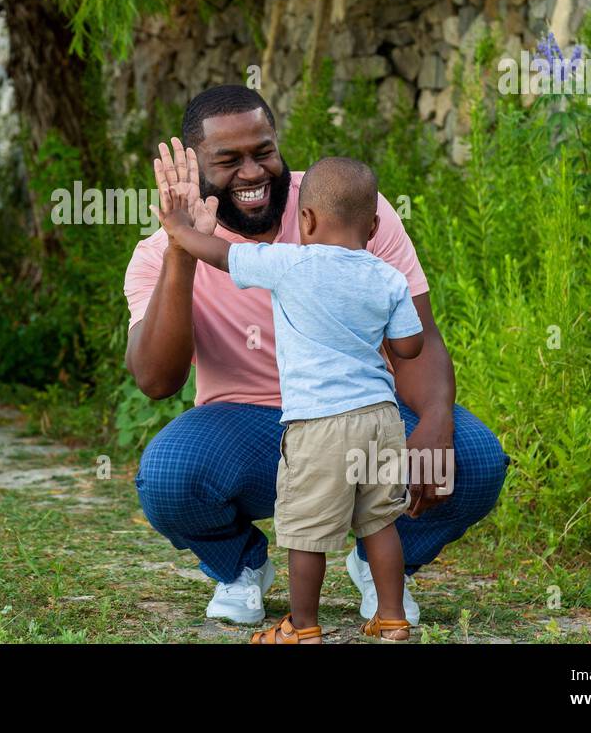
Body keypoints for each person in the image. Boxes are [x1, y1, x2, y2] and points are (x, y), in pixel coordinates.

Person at [124, 84, 510, 626]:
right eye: (228, 160)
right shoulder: (156, 257)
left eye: (263, 151)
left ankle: (380, 567)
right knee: (167, 474)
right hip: (251, 431)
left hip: (365, 413)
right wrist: (182, 245)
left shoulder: (345, 206)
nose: (253, 172)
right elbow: (156, 379)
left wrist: (437, 420)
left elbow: (420, 338)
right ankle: (241, 567)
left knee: (474, 458)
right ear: (196, 166)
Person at [152, 155, 423, 642]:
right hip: (381, 418)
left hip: (319, 423)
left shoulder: (289, 262)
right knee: (381, 521)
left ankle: (302, 627)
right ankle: (392, 618)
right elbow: (408, 348)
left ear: (307, 220)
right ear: (374, 223)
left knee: (306, 532)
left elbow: (217, 253)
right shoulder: (388, 278)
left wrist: (176, 226)